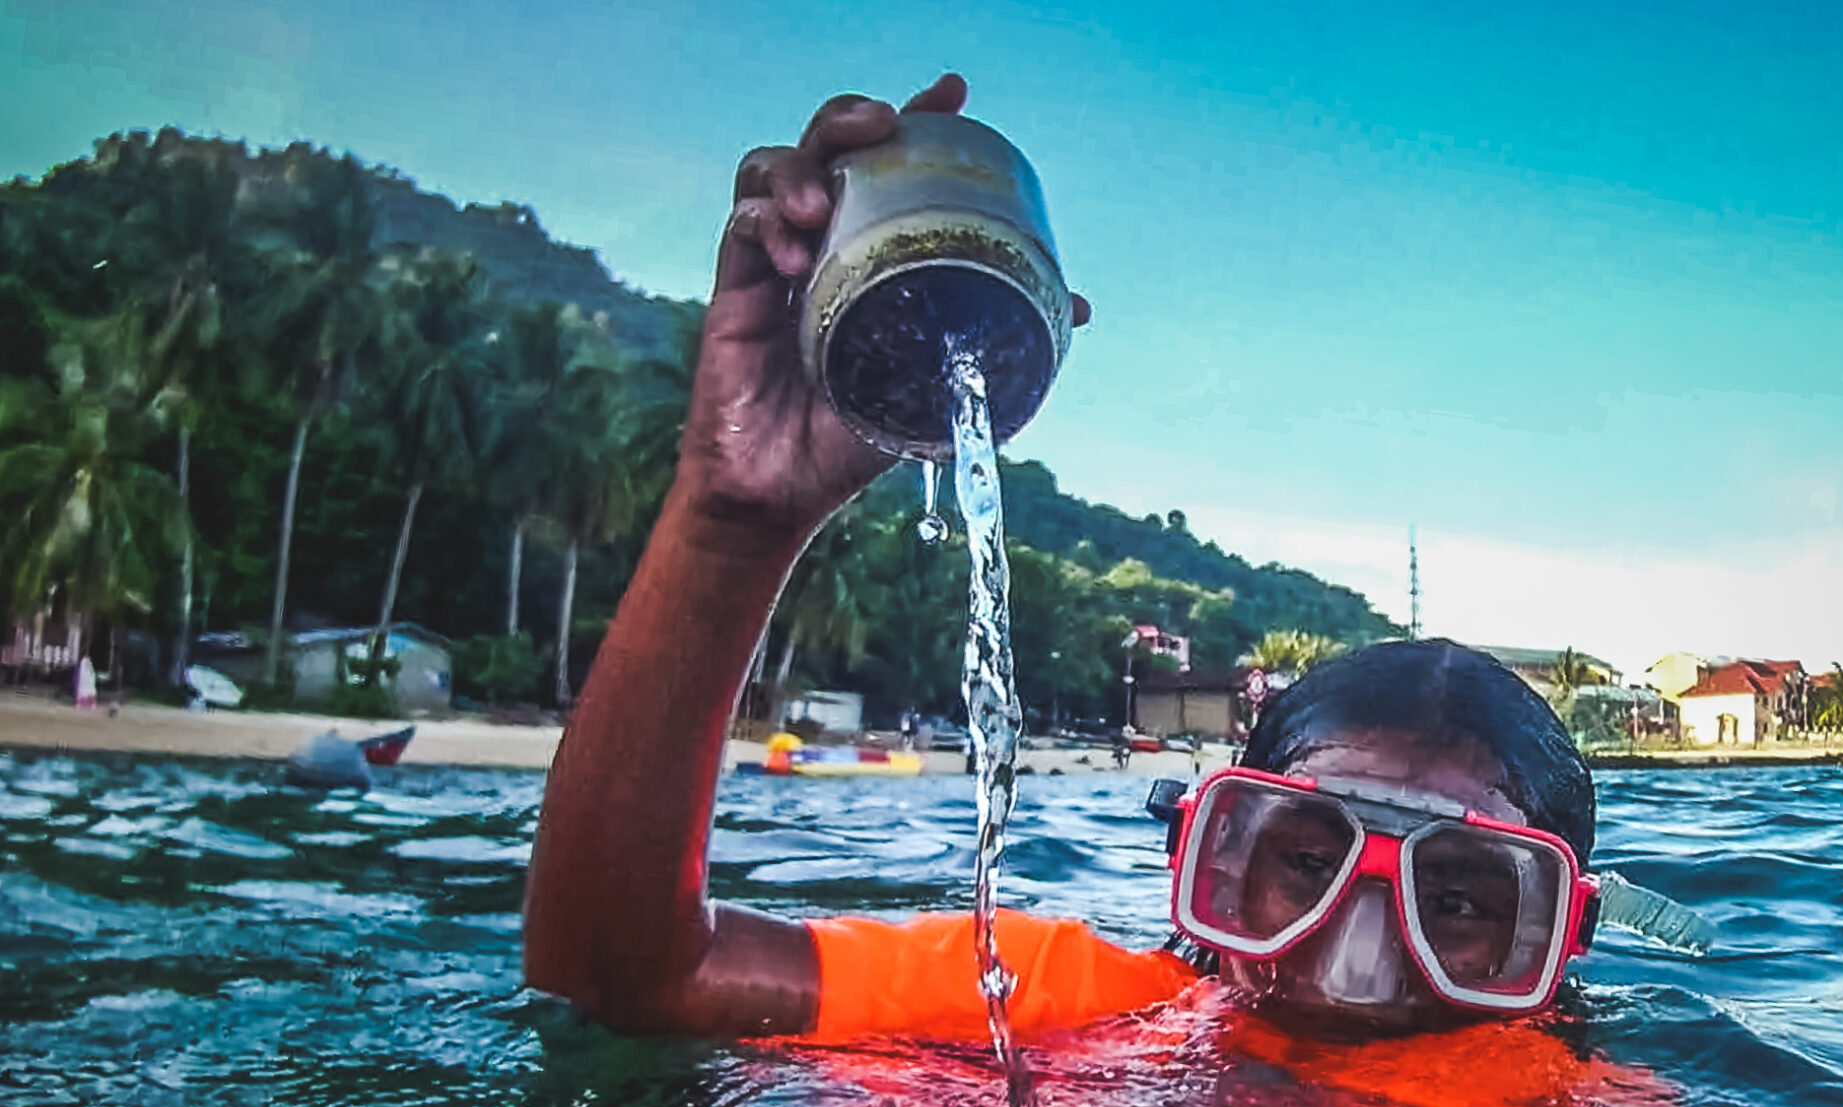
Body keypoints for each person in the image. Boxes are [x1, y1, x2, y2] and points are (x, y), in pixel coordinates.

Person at [522, 74, 1616, 1056]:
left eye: (1460, 907)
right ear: (1209, 850)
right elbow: (619, 977)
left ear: (1558, 942)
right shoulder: (1039, 999)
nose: (1354, 974)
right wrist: (731, 521)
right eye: (1302, 861)